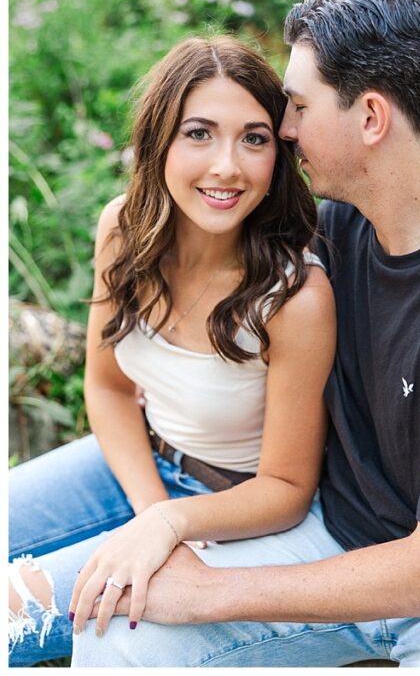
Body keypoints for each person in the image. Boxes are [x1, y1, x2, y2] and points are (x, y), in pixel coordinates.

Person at [72, 0, 420, 667]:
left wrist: (208, 592)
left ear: (370, 118)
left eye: (298, 106)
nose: (285, 128)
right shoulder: (337, 225)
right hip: (331, 534)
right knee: (125, 642)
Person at [8, 35, 335, 665]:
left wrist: (170, 528)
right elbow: (106, 390)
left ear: (278, 153)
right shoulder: (123, 229)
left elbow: (289, 486)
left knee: (9, 614)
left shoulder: (294, 297)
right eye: (199, 133)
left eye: (255, 138)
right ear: (160, 139)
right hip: (136, 466)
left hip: (232, 509)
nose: (227, 167)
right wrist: (151, 517)